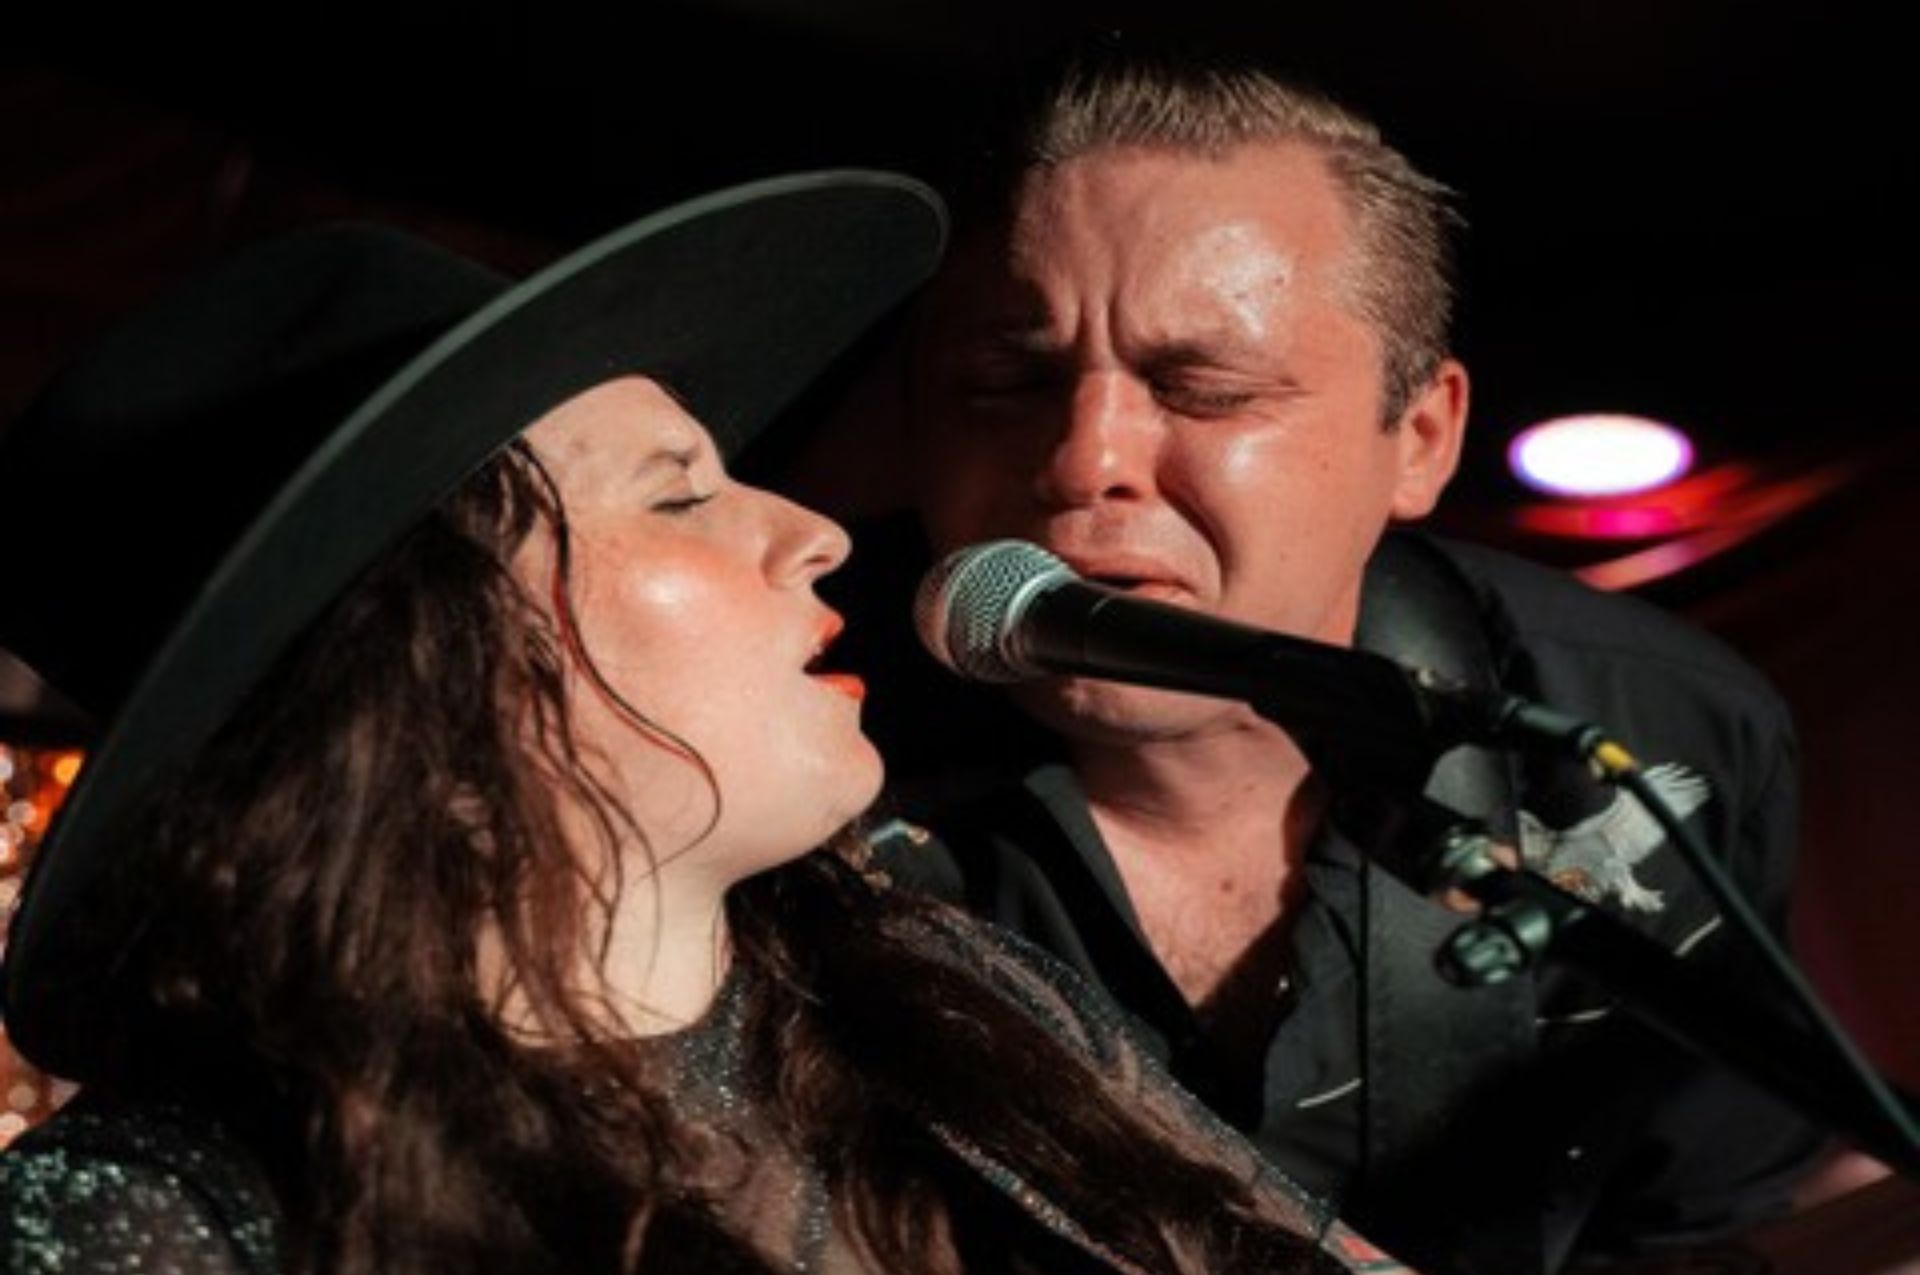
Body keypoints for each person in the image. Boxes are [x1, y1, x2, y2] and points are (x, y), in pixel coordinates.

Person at [0, 174, 1404, 1274]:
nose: (807, 533)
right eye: (677, 494)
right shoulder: (174, 1214)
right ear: (414, 663)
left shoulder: (939, 994)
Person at [827, 39, 1831, 1275]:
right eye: (1003, 382)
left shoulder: (1654, 726)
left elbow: (1692, 1224)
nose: (1083, 461)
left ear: (1418, 438)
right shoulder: (778, 742)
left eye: (1205, 389)